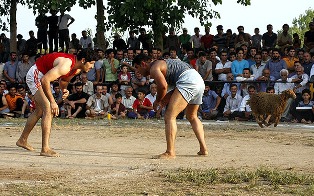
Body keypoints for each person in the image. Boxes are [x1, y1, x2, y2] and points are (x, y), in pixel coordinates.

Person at [16, 48, 97, 157]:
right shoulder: (66, 65)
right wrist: (53, 102)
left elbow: (63, 81)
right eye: (91, 63)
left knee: (40, 110)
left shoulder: (76, 69)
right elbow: (45, 80)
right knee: (48, 108)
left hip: (42, 76)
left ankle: (22, 140)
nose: (92, 67)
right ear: (83, 60)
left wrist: (64, 90)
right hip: (36, 74)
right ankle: (45, 148)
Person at [133, 54, 208, 159]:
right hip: (198, 81)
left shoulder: (154, 67)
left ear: (143, 64)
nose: (137, 71)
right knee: (192, 116)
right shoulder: (166, 64)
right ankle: (203, 148)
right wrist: (162, 102)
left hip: (188, 81)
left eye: (137, 67)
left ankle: (170, 152)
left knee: (169, 116)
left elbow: (163, 87)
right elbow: (175, 90)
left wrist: (158, 100)